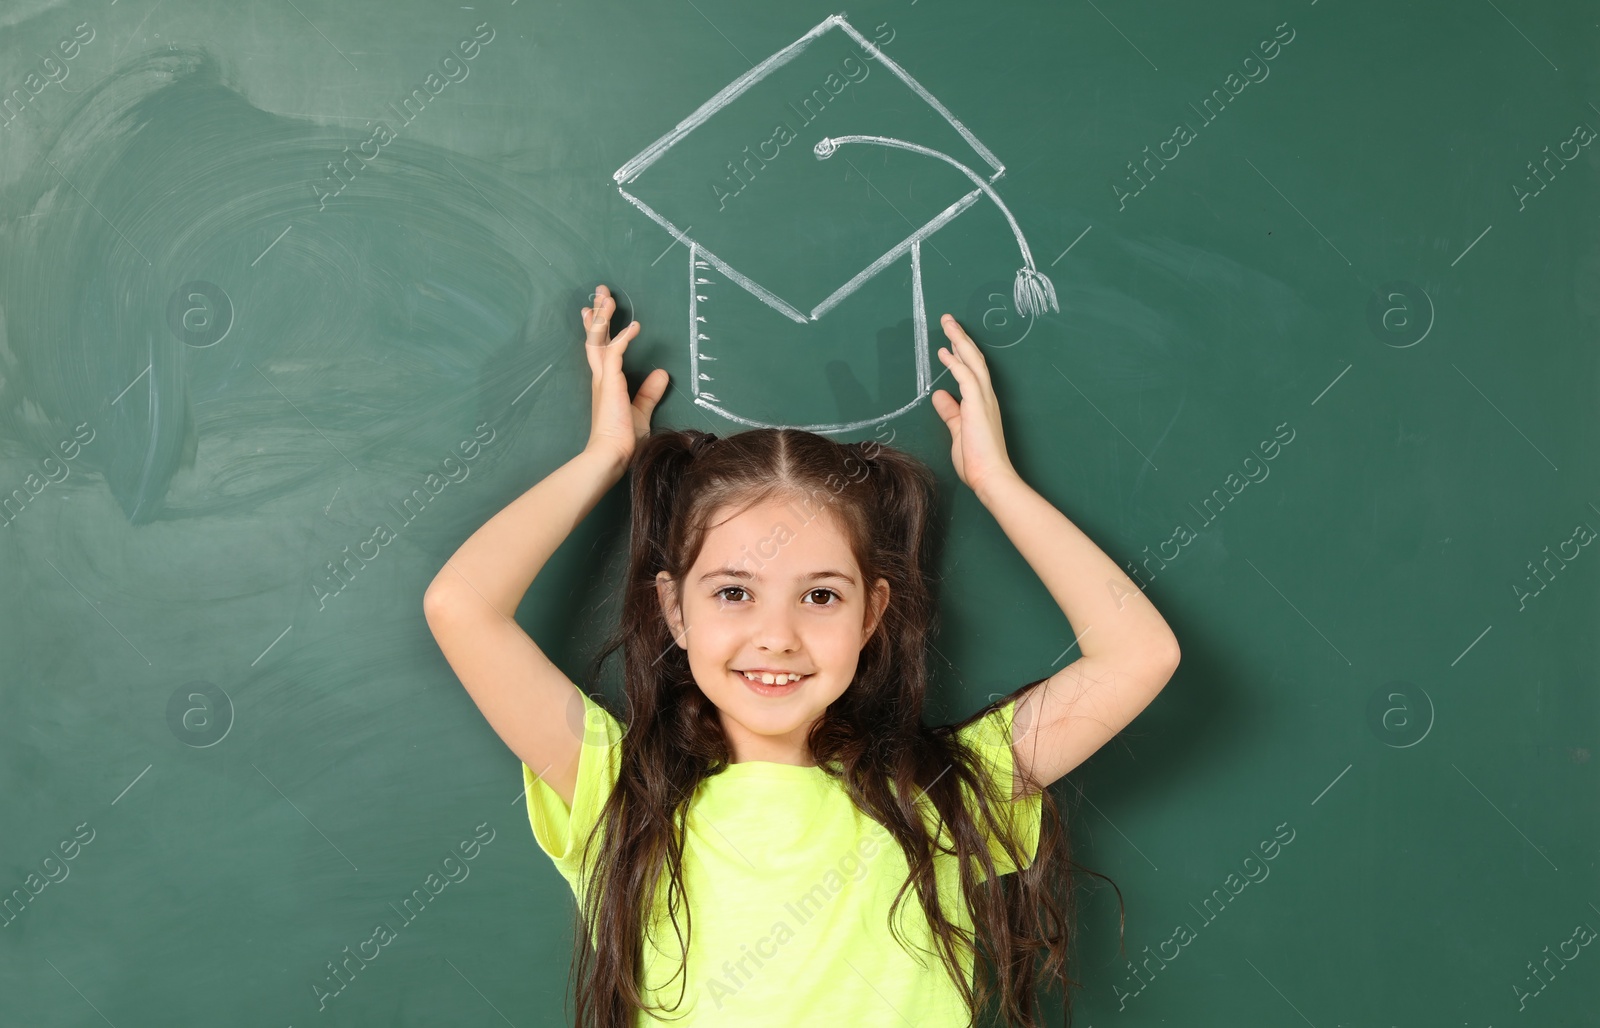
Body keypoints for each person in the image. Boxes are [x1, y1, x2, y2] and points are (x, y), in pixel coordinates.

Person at [423, 285, 1181, 1027]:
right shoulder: (621, 796)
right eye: (732, 593)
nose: (776, 635)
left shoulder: (938, 798)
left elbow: (1136, 653)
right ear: (672, 610)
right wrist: (604, 456)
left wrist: (996, 482)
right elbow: (461, 607)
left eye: (820, 596)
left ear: (872, 614)